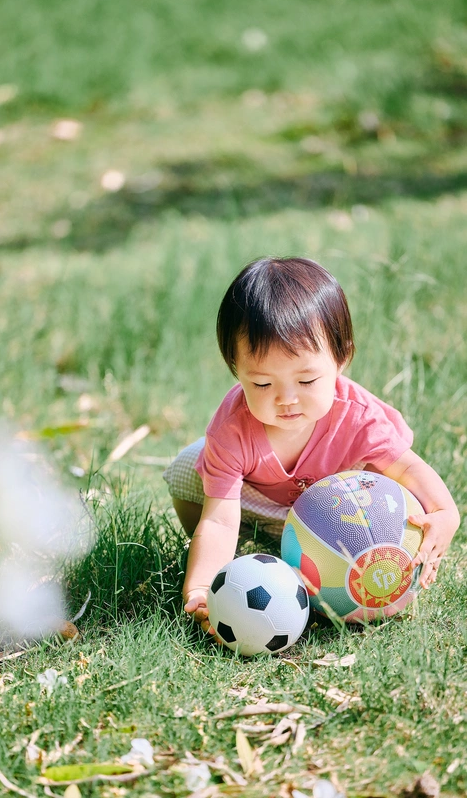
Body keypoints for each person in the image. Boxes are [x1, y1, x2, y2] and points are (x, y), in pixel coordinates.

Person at [163, 257, 460, 636]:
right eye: (262, 384)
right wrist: (204, 586)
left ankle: (338, 567)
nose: (286, 399)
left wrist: (445, 512)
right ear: (235, 368)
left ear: (342, 358)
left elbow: (410, 469)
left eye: (306, 381)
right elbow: (219, 518)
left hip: (347, 513)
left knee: (398, 496)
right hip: (265, 501)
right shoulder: (233, 427)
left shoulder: (358, 417)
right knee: (190, 466)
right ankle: (242, 558)